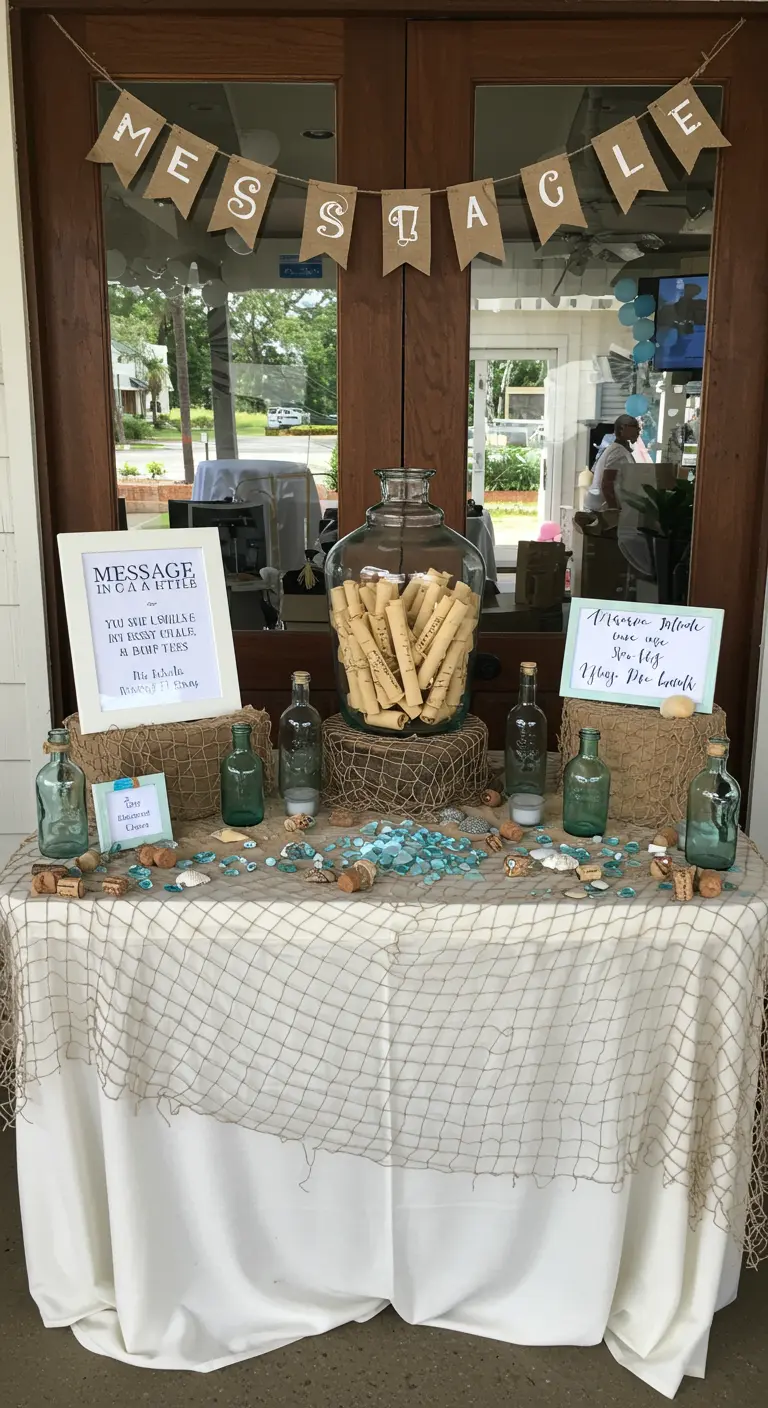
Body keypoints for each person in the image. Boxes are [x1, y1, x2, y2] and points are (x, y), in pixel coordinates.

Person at [584, 414, 640, 513]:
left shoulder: (618, 449)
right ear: (623, 429)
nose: (638, 430)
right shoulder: (617, 452)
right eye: (635, 427)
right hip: (603, 509)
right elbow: (607, 483)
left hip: (602, 507)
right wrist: (614, 510)